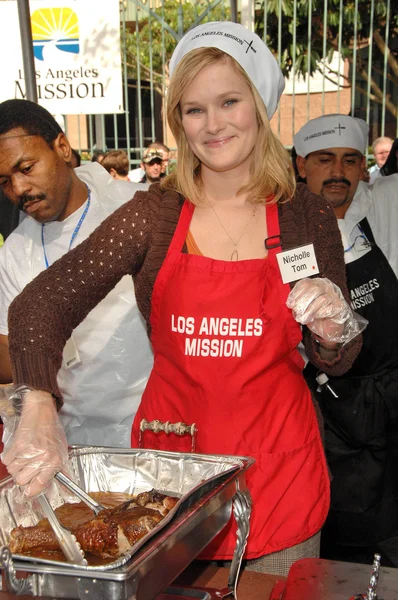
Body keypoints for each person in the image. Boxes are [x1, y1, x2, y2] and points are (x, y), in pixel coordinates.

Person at [2, 23, 363, 576]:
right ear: (178, 121)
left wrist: (335, 328)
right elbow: (37, 307)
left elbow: (335, 357)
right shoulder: (154, 216)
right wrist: (40, 405)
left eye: (228, 102)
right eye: (194, 110)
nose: (213, 124)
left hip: (279, 470)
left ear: (260, 106)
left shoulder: (304, 215)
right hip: (172, 481)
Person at [0, 99, 153, 448]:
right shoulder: (14, 252)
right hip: (70, 438)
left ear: (63, 147)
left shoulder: (137, 210)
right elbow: (12, 352)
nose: (19, 189)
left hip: (155, 425)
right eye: (4, 181)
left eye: (26, 167)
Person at [294, 114, 398, 560]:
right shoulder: (284, 230)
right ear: (302, 166)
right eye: (324, 160)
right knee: (338, 544)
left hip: (390, 403)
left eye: (350, 161)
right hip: (329, 413)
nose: (337, 172)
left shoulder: (377, 214)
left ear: (362, 169)